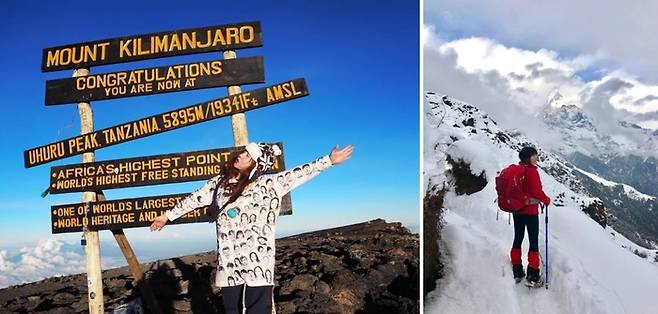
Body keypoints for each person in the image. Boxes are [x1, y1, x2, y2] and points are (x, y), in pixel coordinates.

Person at [149, 143, 353, 314]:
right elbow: (194, 199)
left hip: (258, 262)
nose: (241, 156)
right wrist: (167, 216)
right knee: (232, 310)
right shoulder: (219, 184)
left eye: (247, 156)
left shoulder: (270, 184)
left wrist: (328, 161)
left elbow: (299, 173)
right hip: (229, 263)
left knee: (258, 310)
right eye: (243, 153)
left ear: (256, 165)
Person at [511, 146, 551, 286]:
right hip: (530, 211)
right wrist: (547, 200)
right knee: (533, 241)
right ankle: (533, 275)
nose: (537, 158)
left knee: (518, 237)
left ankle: (517, 269)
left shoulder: (518, 170)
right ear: (529, 157)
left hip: (517, 210)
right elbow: (537, 191)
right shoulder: (531, 172)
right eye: (534, 156)